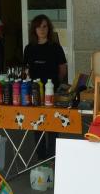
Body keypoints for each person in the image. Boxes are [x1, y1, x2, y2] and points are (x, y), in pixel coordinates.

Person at [23, 14, 68, 160]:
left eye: (44, 26)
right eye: (38, 27)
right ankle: (41, 158)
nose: (42, 30)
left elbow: (62, 69)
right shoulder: (29, 48)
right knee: (37, 125)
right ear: (34, 30)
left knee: (52, 125)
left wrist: (55, 84)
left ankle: (53, 157)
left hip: (51, 91)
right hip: (35, 92)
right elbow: (26, 70)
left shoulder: (55, 47)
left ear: (49, 28)